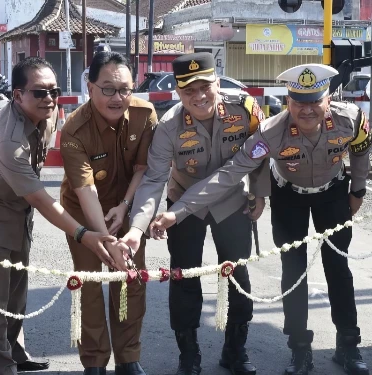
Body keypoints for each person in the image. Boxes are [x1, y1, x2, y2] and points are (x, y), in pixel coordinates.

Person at [144, 63, 371, 375]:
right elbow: (229, 173)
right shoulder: (270, 132)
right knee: (293, 272)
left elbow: (361, 152)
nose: (306, 111)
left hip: (332, 194)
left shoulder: (353, 118)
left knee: (338, 268)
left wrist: (357, 191)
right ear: (287, 102)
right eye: (298, 103)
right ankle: (299, 350)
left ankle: (348, 345)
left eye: (314, 101)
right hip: (287, 197)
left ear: (328, 100)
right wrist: (177, 211)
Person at [0, 56, 123, 375]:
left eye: (54, 91)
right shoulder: (7, 138)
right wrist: (84, 234)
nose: (50, 99)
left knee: (15, 291)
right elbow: (42, 198)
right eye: (39, 92)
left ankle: (14, 351)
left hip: (16, 209)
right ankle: (0, 367)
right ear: (17, 96)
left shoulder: (49, 113)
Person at [119, 52, 270, 375]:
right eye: (189, 91)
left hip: (231, 202)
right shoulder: (169, 126)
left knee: (237, 275)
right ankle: (189, 354)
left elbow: (259, 153)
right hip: (183, 204)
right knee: (184, 277)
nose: (199, 96)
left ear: (218, 82)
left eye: (205, 87)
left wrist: (259, 191)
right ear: (177, 92)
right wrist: (136, 228)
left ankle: (235, 349)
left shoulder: (244, 109)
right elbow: (154, 180)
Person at [59, 51, 157, 375]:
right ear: (90, 88)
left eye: (125, 89)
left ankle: (129, 358)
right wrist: (104, 241)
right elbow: (85, 191)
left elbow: (143, 169)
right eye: (108, 89)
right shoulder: (74, 129)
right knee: (91, 281)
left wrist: (126, 206)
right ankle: (95, 362)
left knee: (130, 278)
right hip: (84, 212)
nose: (118, 98)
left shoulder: (145, 115)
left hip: (125, 207)